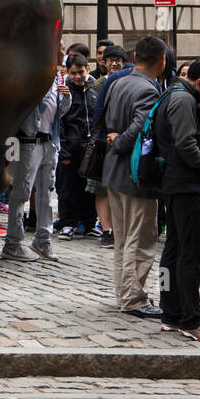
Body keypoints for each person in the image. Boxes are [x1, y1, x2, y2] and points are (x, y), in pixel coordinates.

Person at [103, 35, 167, 318]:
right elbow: (141, 129)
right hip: (134, 173)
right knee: (139, 238)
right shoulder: (148, 89)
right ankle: (133, 298)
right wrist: (119, 141)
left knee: (124, 237)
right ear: (162, 60)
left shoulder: (119, 82)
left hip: (115, 171)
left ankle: (125, 294)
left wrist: (116, 140)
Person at [154, 57, 200, 343]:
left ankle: (170, 311)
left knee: (174, 251)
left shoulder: (174, 94)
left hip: (176, 185)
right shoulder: (184, 100)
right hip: (188, 186)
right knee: (191, 255)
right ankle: (191, 319)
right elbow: (186, 144)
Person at [0, 58, 67, 262]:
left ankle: (43, 239)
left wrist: (67, 97)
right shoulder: (31, 74)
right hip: (28, 141)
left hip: (49, 141)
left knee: (46, 191)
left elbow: (59, 112)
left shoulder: (57, 77)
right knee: (21, 191)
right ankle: (12, 243)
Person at [87, 44, 128, 248]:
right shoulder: (99, 83)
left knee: (118, 187)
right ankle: (106, 230)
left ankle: (119, 228)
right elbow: (94, 113)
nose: (114, 63)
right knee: (101, 188)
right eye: (110, 59)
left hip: (122, 139)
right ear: (103, 61)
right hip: (103, 140)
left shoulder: (129, 80)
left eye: (118, 59)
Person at [56, 53, 98, 239]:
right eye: (74, 73)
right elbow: (60, 121)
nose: (78, 77)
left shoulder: (94, 88)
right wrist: (63, 150)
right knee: (67, 189)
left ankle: (89, 222)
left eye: (80, 72)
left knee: (88, 188)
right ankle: (67, 223)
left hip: (89, 148)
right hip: (69, 148)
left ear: (87, 69)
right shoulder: (64, 90)